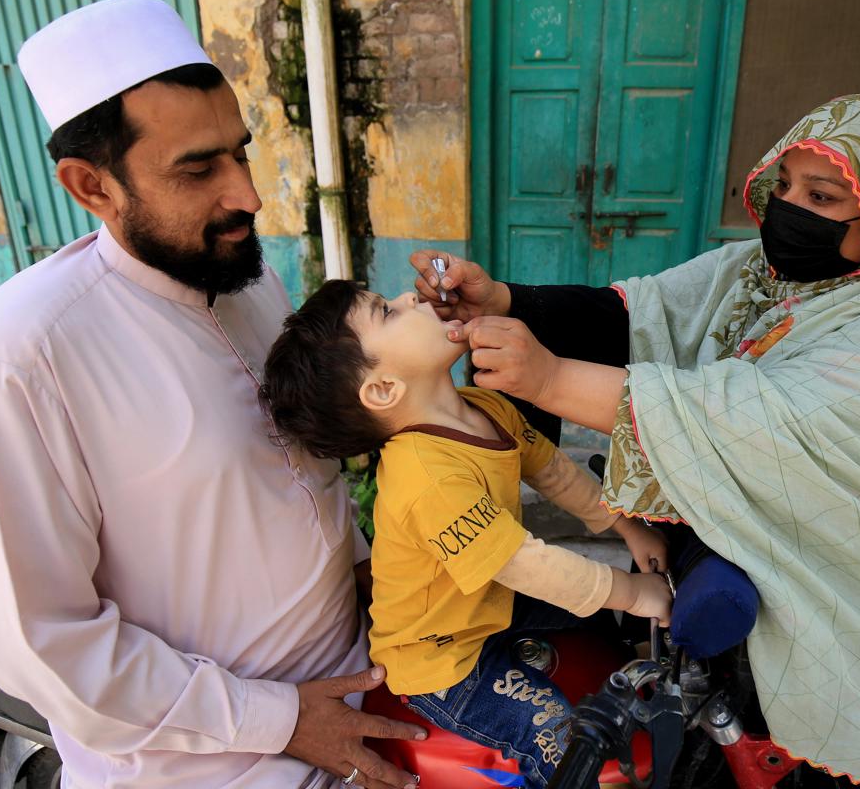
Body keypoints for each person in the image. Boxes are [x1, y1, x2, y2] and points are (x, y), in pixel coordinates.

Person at [411, 92, 860, 789]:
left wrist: (555, 380)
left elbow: (772, 419)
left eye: (822, 194)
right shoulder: (764, 278)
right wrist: (507, 301)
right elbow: (638, 315)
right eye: (782, 184)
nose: (787, 207)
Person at [0, 0, 427, 789]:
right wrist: (281, 718)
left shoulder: (247, 277)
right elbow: (42, 645)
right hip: (219, 767)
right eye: (198, 169)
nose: (248, 196)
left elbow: (297, 482)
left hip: (363, 695)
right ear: (92, 186)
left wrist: (374, 578)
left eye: (240, 153)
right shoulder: (18, 358)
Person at [259, 279, 672, 789]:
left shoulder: (484, 405)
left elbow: (552, 471)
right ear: (384, 389)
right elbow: (522, 562)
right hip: (443, 659)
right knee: (561, 740)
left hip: (487, 602)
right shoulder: (427, 477)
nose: (411, 299)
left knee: (593, 620)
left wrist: (627, 529)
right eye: (388, 312)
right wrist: (631, 591)